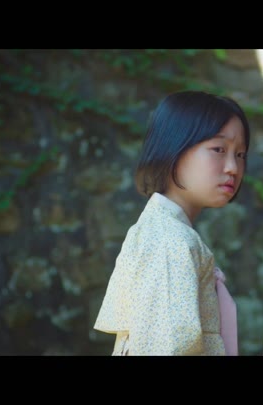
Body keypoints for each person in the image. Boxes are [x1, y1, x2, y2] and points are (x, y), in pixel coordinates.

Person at [94, 90, 249, 355]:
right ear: (173, 149)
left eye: (240, 155)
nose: (233, 168)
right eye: (218, 149)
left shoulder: (164, 231)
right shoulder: (171, 241)